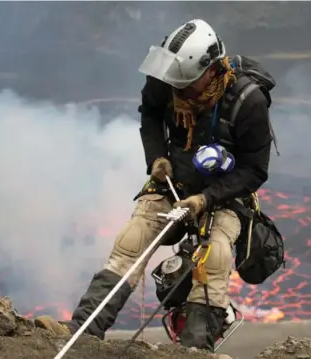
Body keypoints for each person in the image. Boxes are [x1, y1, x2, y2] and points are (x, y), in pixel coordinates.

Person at [35, 18, 274, 351]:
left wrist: (205, 200)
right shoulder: (168, 77)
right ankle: (84, 332)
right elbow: (149, 115)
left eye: (185, 83)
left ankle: (193, 350)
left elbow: (254, 171)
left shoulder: (248, 102)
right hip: (174, 180)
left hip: (225, 193)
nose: (177, 90)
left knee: (215, 259)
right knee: (131, 243)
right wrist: (157, 159)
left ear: (211, 71)